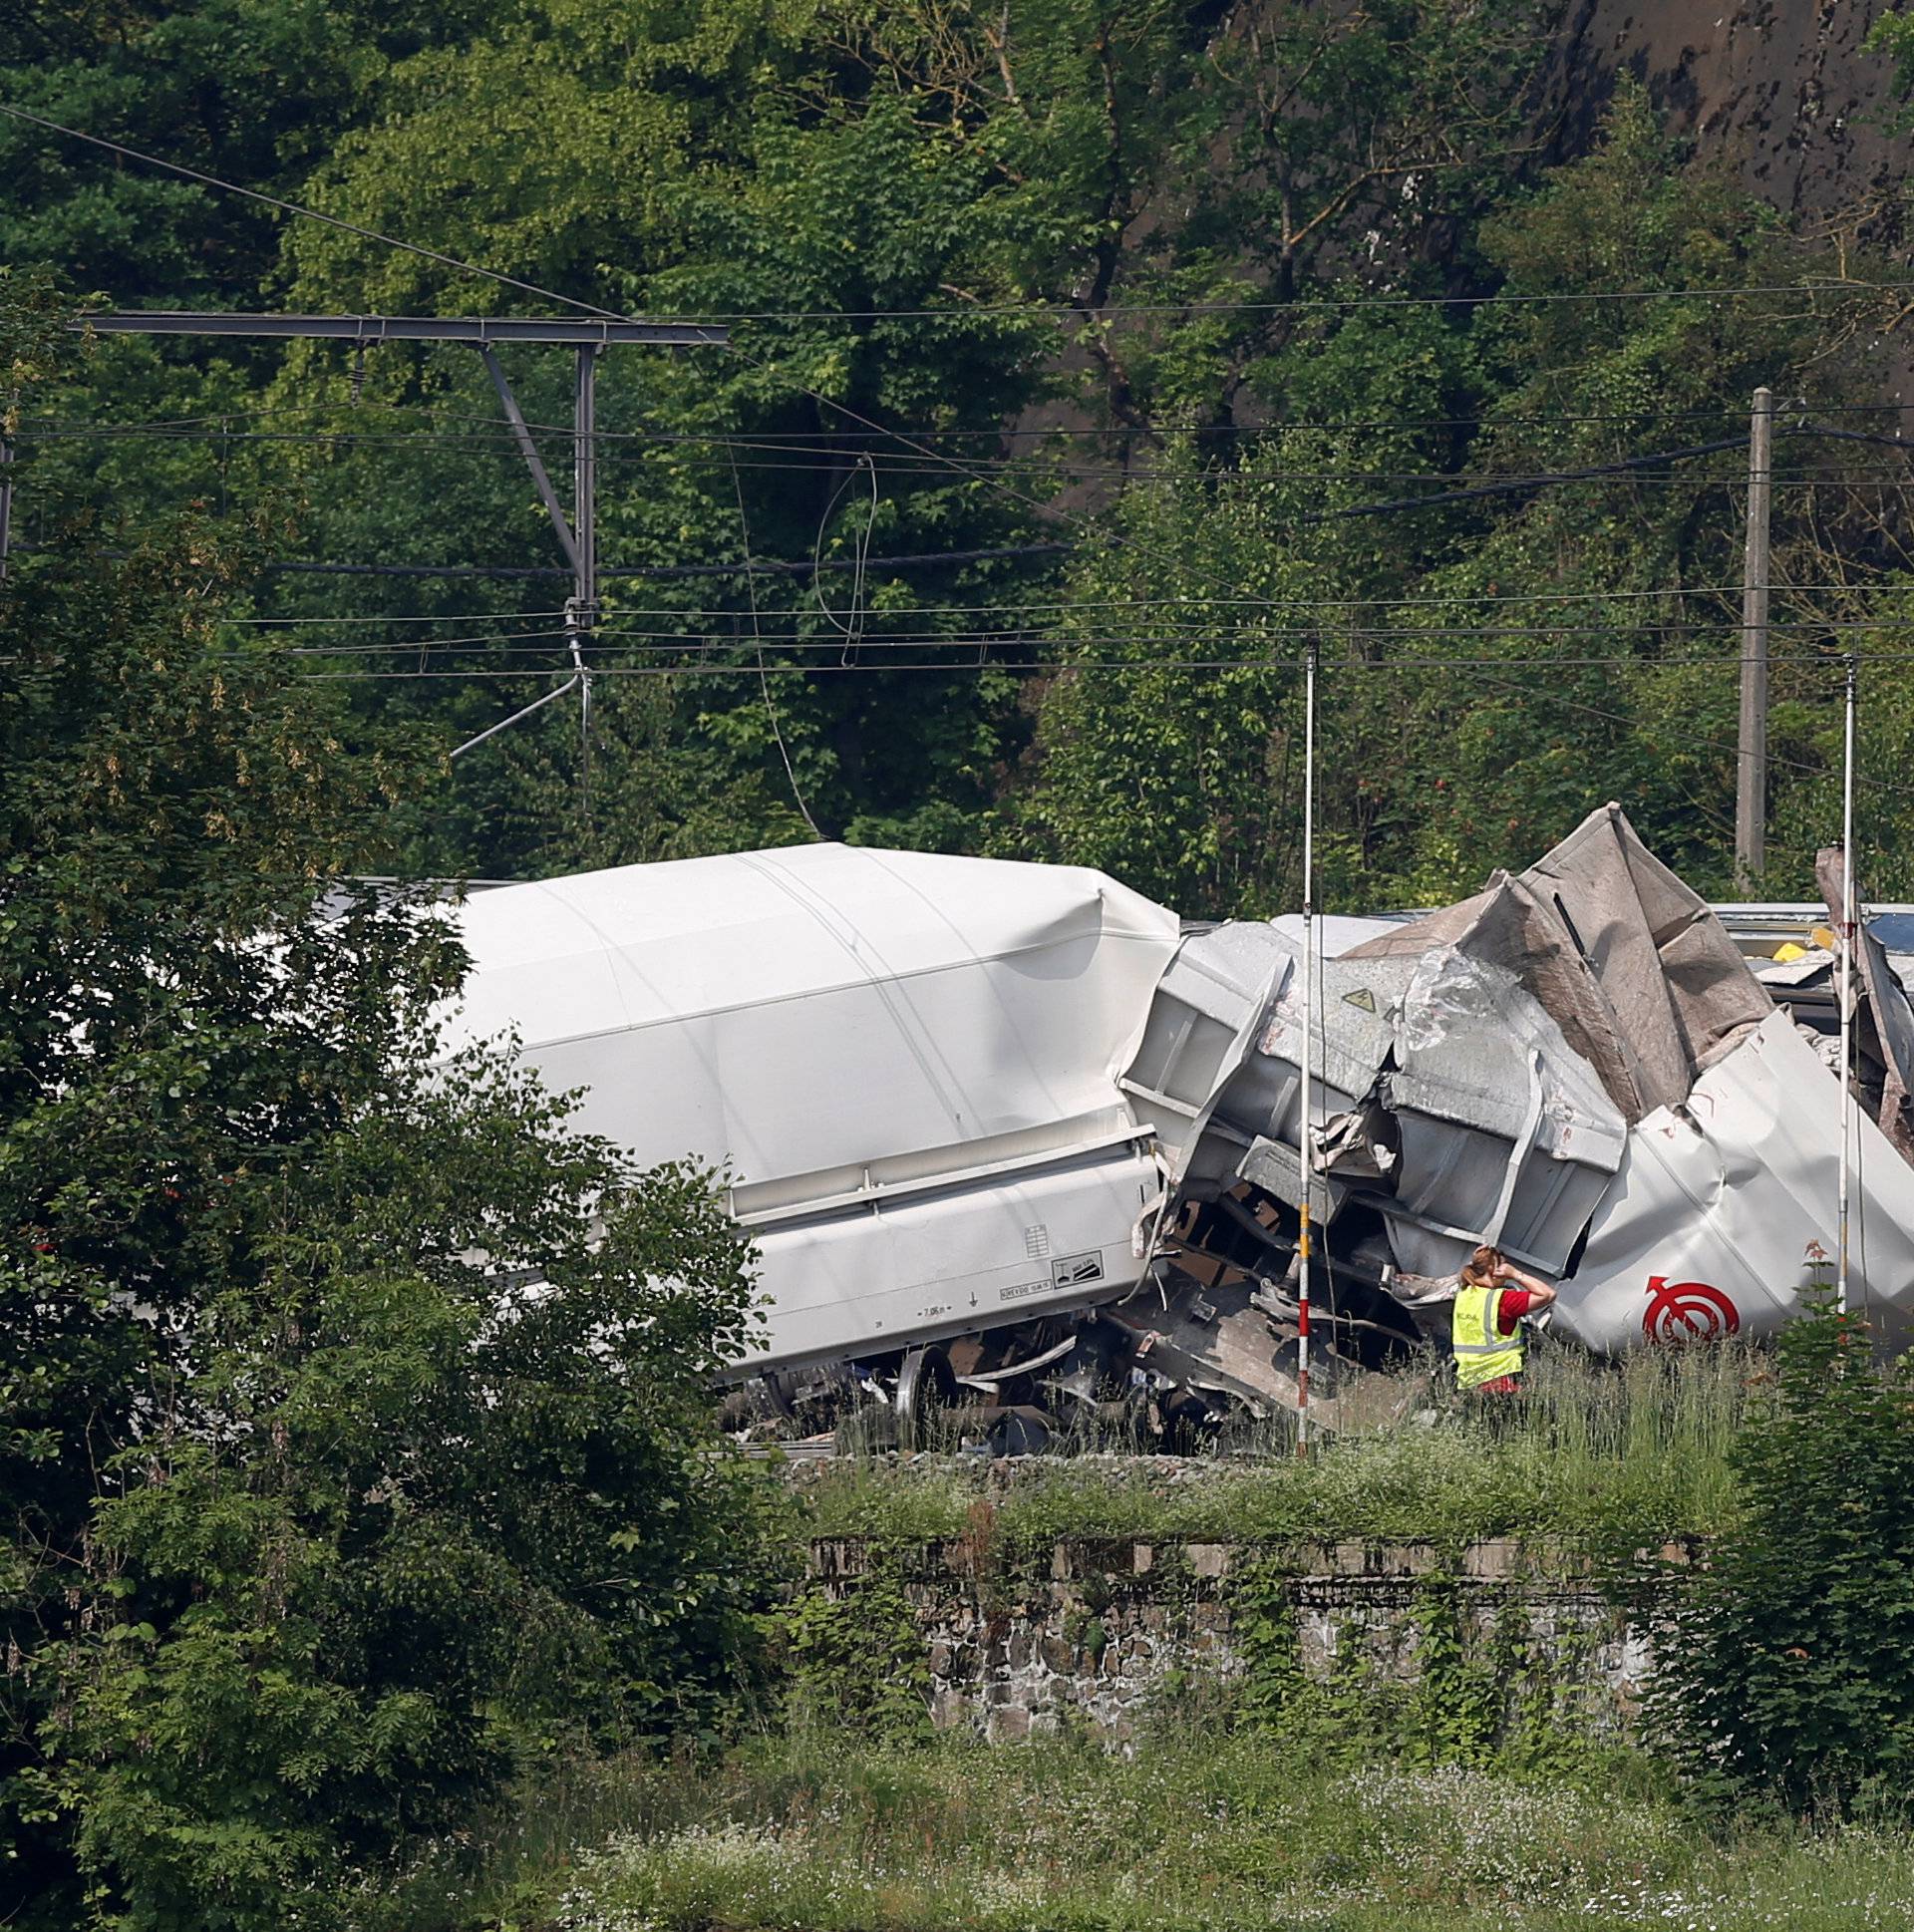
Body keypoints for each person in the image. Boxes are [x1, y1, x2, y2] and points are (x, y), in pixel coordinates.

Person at [1450, 1244, 1556, 1397]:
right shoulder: (1502, 1300)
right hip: (1502, 1383)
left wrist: (1479, 1260)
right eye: (1504, 1267)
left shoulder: (1464, 1294)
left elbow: (1469, 1275)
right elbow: (1548, 1294)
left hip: (1469, 1383)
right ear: (1494, 1270)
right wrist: (1516, 1274)